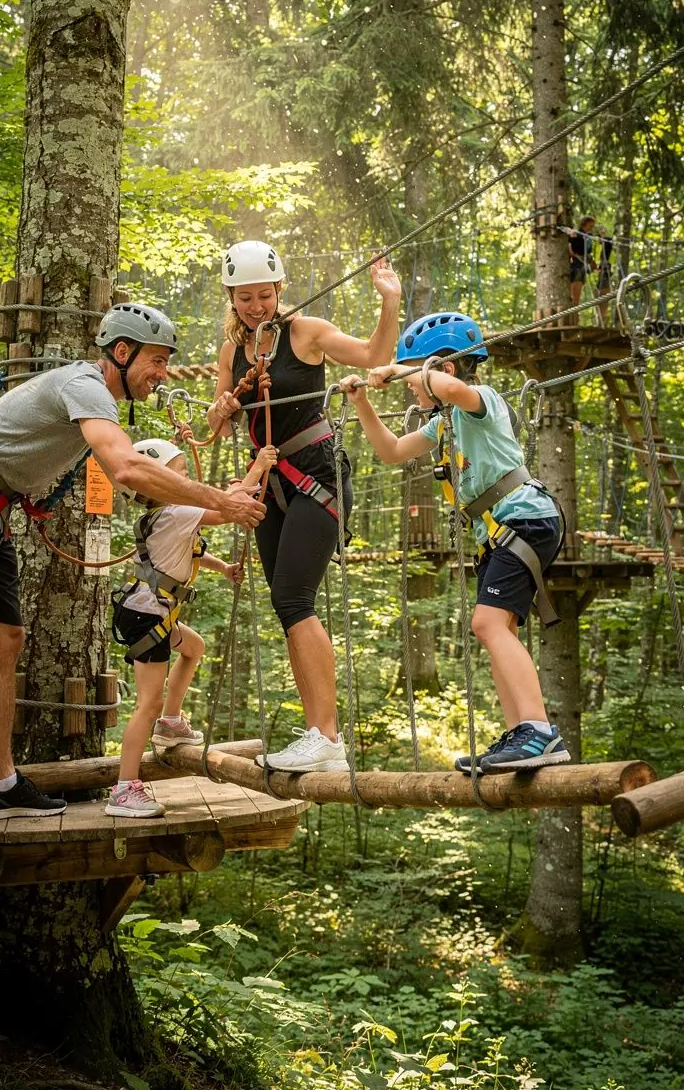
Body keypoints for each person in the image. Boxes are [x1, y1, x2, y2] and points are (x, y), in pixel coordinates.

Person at [0, 303, 265, 831]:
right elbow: (129, 469)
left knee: (6, 638)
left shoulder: (91, 395)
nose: (162, 373)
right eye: (155, 360)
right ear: (122, 352)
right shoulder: (87, 386)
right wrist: (220, 500)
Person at [341, 311, 570, 775]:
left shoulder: (480, 400)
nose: (409, 384)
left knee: (487, 624)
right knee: (493, 628)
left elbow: (452, 390)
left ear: (444, 368)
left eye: (416, 372)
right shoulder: (443, 425)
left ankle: (540, 732)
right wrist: (364, 401)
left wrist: (397, 368)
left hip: (524, 519)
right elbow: (390, 451)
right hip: (502, 532)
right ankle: (520, 735)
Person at [206, 239, 401, 774]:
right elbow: (218, 423)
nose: (255, 306)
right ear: (231, 297)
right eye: (244, 298)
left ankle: (327, 737)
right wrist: (220, 406)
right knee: (286, 605)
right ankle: (319, 735)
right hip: (270, 484)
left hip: (317, 475)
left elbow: (374, 359)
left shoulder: (305, 333)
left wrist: (389, 302)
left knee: (294, 598)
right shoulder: (233, 352)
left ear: (278, 290)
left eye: (263, 295)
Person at [107, 436, 277, 818]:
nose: (187, 482)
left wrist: (224, 569)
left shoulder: (167, 516)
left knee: (194, 647)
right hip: (149, 616)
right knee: (146, 701)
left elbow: (193, 549)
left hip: (148, 611)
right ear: (157, 484)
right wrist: (259, 467)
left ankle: (171, 722)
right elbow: (228, 510)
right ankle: (124, 787)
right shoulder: (174, 513)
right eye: (179, 475)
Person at [568, 214, 596, 309]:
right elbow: (569, 245)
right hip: (576, 265)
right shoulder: (577, 234)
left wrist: (590, 261)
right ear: (584, 224)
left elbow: (587, 252)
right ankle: (573, 308)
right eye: (590, 225)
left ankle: (575, 309)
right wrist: (572, 253)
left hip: (582, 264)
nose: (592, 227)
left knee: (579, 287)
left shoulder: (588, 237)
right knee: (575, 289)